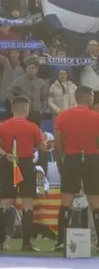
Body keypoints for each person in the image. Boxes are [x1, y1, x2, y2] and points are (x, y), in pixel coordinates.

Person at [0, 96, 46, 251]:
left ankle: (0, 242)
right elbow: (43, 148)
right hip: (25, 163)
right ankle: (26, 244)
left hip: (8, 162)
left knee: (5, 202)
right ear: (26, 109)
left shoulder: (3, 126)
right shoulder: (32, 127)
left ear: (12, 110)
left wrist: (3, 153)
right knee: (27, 204)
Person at [52, 86, 99, 249]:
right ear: (88, 98)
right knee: (95, 200)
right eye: (92, 96)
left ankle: (60, 241)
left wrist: (59, 160)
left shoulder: (63, 116)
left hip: (71, 157)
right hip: (92, 157)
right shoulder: (96, 117)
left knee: (67, 198)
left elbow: (58, 142)